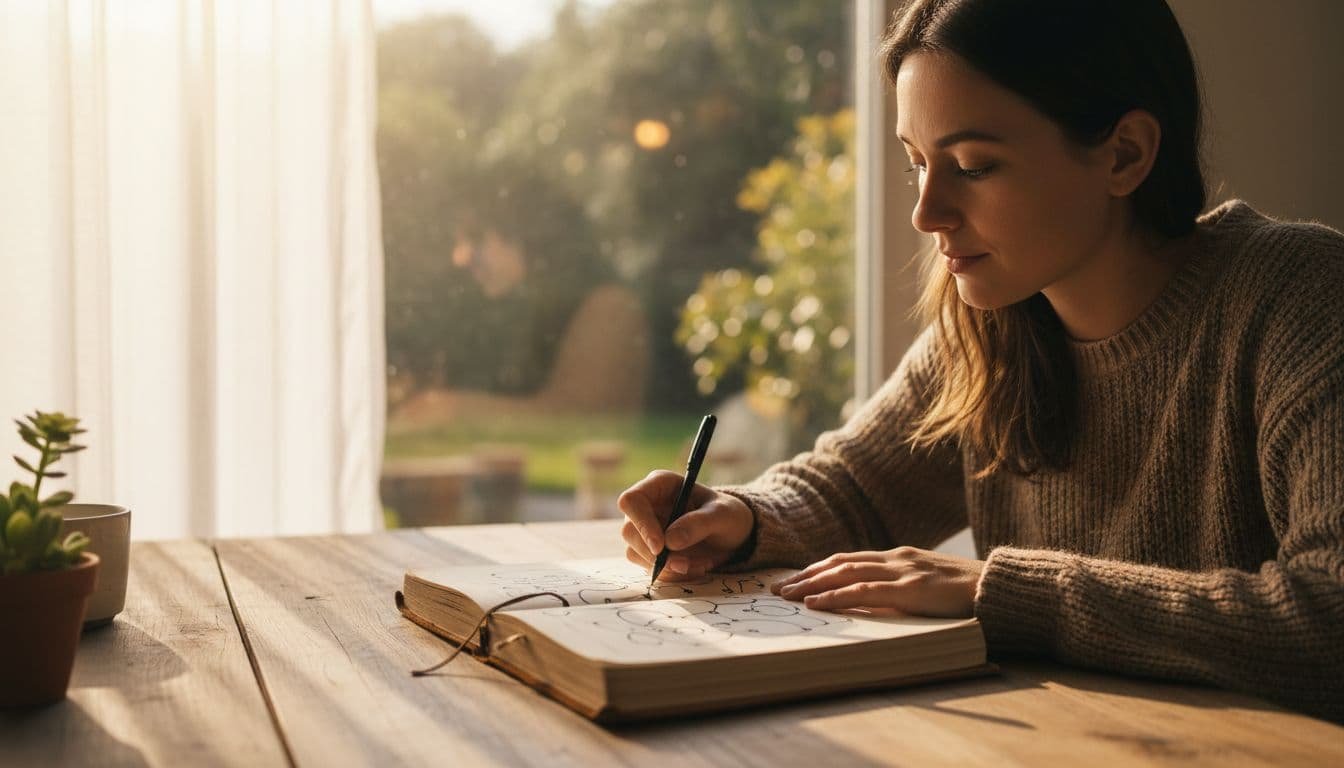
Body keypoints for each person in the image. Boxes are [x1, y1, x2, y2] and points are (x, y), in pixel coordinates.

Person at [618, 0, 1344, 722]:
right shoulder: (993, 320)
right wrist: (740, 517)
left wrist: (996, 591)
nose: (926, 213)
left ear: (1125, 154)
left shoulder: (1301, 298)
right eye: (917, 164)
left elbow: (1329, 615)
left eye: (972, 165)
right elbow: (859, 488)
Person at [389, 165, 650, 427]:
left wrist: (452, 410)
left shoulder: (609, 306)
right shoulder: (514, 311)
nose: (460, 257)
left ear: (526, 232)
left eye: (476, 237)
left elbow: (581, 419)